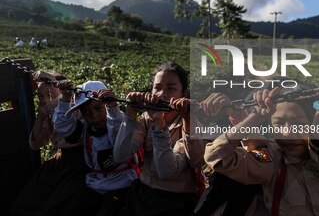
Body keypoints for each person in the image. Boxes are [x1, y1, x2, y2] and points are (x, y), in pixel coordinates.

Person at [204, 71, 319, 215]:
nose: (287, 133)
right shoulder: (273, 161)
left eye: (299, 124)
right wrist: (255, 117)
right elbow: (216, 156)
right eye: (279, 123)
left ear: (314, 122)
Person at [114, 62, 206, 216]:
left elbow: (167, 171)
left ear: (184, 94)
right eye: (157, 87)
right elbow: (120, 155)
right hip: (142, 195)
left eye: (171, 88)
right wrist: (130, 114)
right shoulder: (145, 119)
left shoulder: (189, 125)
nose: (162, 94)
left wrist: (159, 123)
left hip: (176, 203)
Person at [53, 80, 137, 216]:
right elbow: (63, 128)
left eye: (98, 108)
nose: (93, 115)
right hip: (96, 183)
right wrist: (65, 100)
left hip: (124, 183)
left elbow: (119, 137)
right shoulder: (85, 130)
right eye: (86, 112)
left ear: (107, 106)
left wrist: (113, 108)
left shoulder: (119, 122)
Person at [11, 71, 89, 216]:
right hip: (59, 162)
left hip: (77, 162)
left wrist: (51, 80)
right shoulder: (47, 115)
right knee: (28, 200)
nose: (45, 100)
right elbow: (35, 145)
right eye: (41, 96)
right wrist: (40, 118)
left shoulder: (73, 110)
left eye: (49, 94)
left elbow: (61, 110)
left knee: (58, 203)